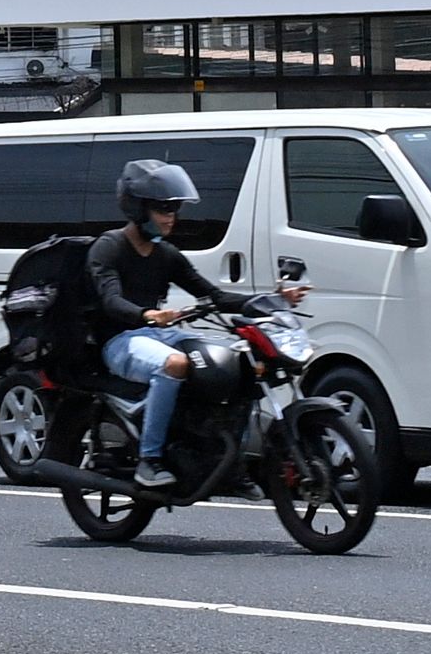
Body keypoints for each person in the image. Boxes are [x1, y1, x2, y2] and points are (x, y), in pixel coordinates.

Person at [89, 158, 300, 488]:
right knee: (175, 364)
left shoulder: (166, 254)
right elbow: (110, 300)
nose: (170, 217)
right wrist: (147, 314)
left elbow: (215, 296)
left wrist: (275, 299)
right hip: (120, 340)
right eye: (162, 209)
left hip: (159, 334)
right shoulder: (109, 247)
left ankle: (229, 462)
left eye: (174, 209)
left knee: (237, 362)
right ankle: (150, 460)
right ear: (138, 208)